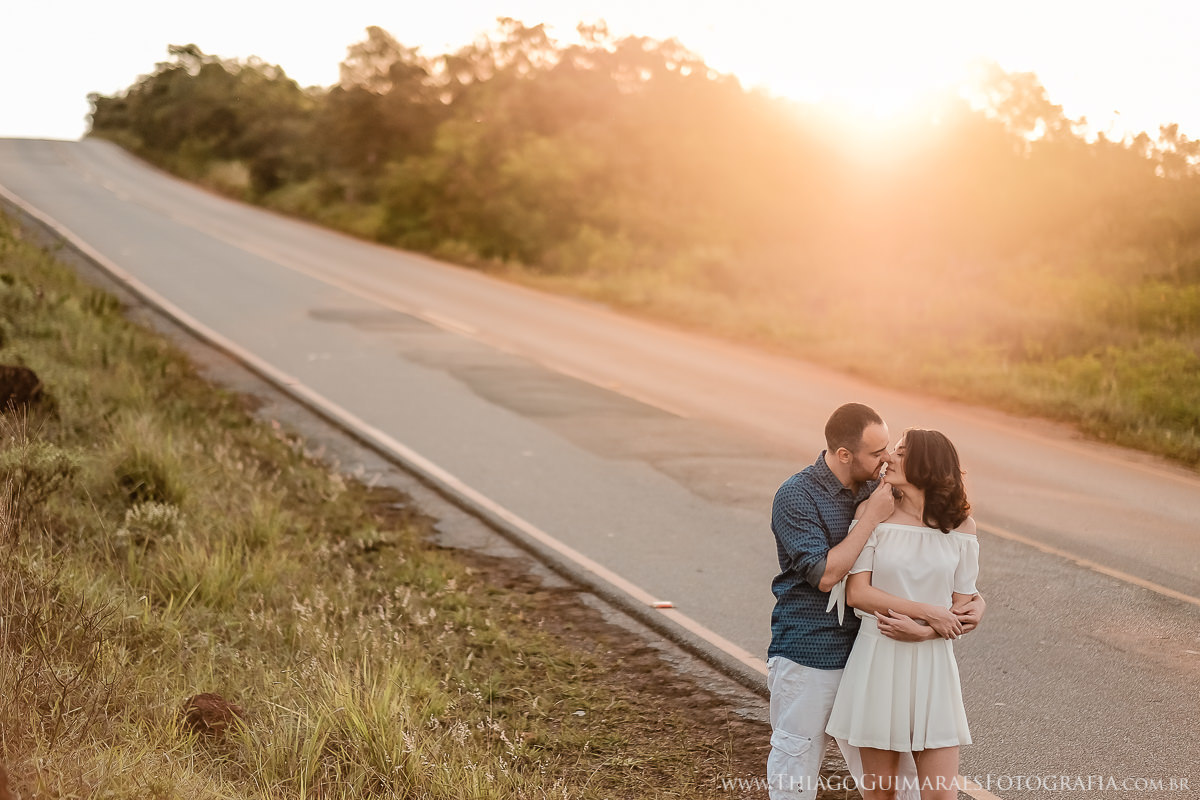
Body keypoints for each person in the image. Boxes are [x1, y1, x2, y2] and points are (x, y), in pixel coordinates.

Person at [767, 404, 984, 800]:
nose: (886, 458)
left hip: (871, 650)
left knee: (903, 786)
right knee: (796, 760)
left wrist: (973, 603)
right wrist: (871, 520)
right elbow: (827, 576)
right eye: (879, 451)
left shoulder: (877, 488)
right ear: (845, 454)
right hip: (812, 651)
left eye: (893, 448)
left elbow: (940, 571)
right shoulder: (798, 495)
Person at [825, 428, 980, 800]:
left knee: (940, 794)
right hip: (879, 656)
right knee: (881, 792)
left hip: (934, 664)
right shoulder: (873, 513)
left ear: (927, 463)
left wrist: (925, 631)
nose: (889, 458)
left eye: (901, 452)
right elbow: (858, 594)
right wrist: (927, 612)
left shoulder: (961, 526)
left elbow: (963, 608)